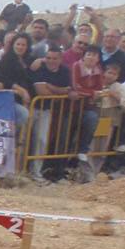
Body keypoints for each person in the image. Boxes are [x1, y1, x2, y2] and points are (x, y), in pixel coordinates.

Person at [29, 46, 72, 180]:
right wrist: (59, 90)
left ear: (60, 59)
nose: (51, 61)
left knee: (42, 140)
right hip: (32, 107)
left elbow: (68, 90)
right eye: (48, 58)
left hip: (47, 110)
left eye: (54, 58)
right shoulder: (39, 68)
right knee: (25, 141)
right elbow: (42, 92)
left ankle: (35, 171)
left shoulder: (65, 71)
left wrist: (50, 86)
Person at [69, 45, 104, 164]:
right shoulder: (76, 66)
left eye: (94, 55)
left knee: (92, 120)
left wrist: (91, 93)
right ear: (83, 56)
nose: (91, 57)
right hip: (73, 106)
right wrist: (92, 93)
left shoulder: (98, 69)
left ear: (98, 58)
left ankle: (83, 150)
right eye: (88, 54)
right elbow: (76, 87)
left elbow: (100, 89)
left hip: (89, 106)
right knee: (69, 133)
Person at [0, 32, 35, 126]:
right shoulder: (6, 60)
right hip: (10, 98)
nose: (20, 47)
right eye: (18, 44)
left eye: (23, 45)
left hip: (26, 100)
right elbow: (5, 80)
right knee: (23, 114)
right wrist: (21, 90)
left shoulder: (30, 60)